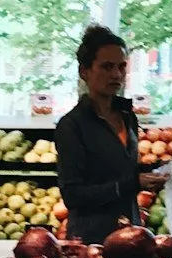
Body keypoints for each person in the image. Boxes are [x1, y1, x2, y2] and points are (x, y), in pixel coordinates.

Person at [53, 23, 143, 244]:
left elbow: (121, 171)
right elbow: (73, 196)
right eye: (107, 66)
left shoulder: (128, 117)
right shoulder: (72, 126)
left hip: (131, 237)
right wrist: (133, 184)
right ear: (84, 71)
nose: (116, 74)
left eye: (122, 67)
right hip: (92, 242)